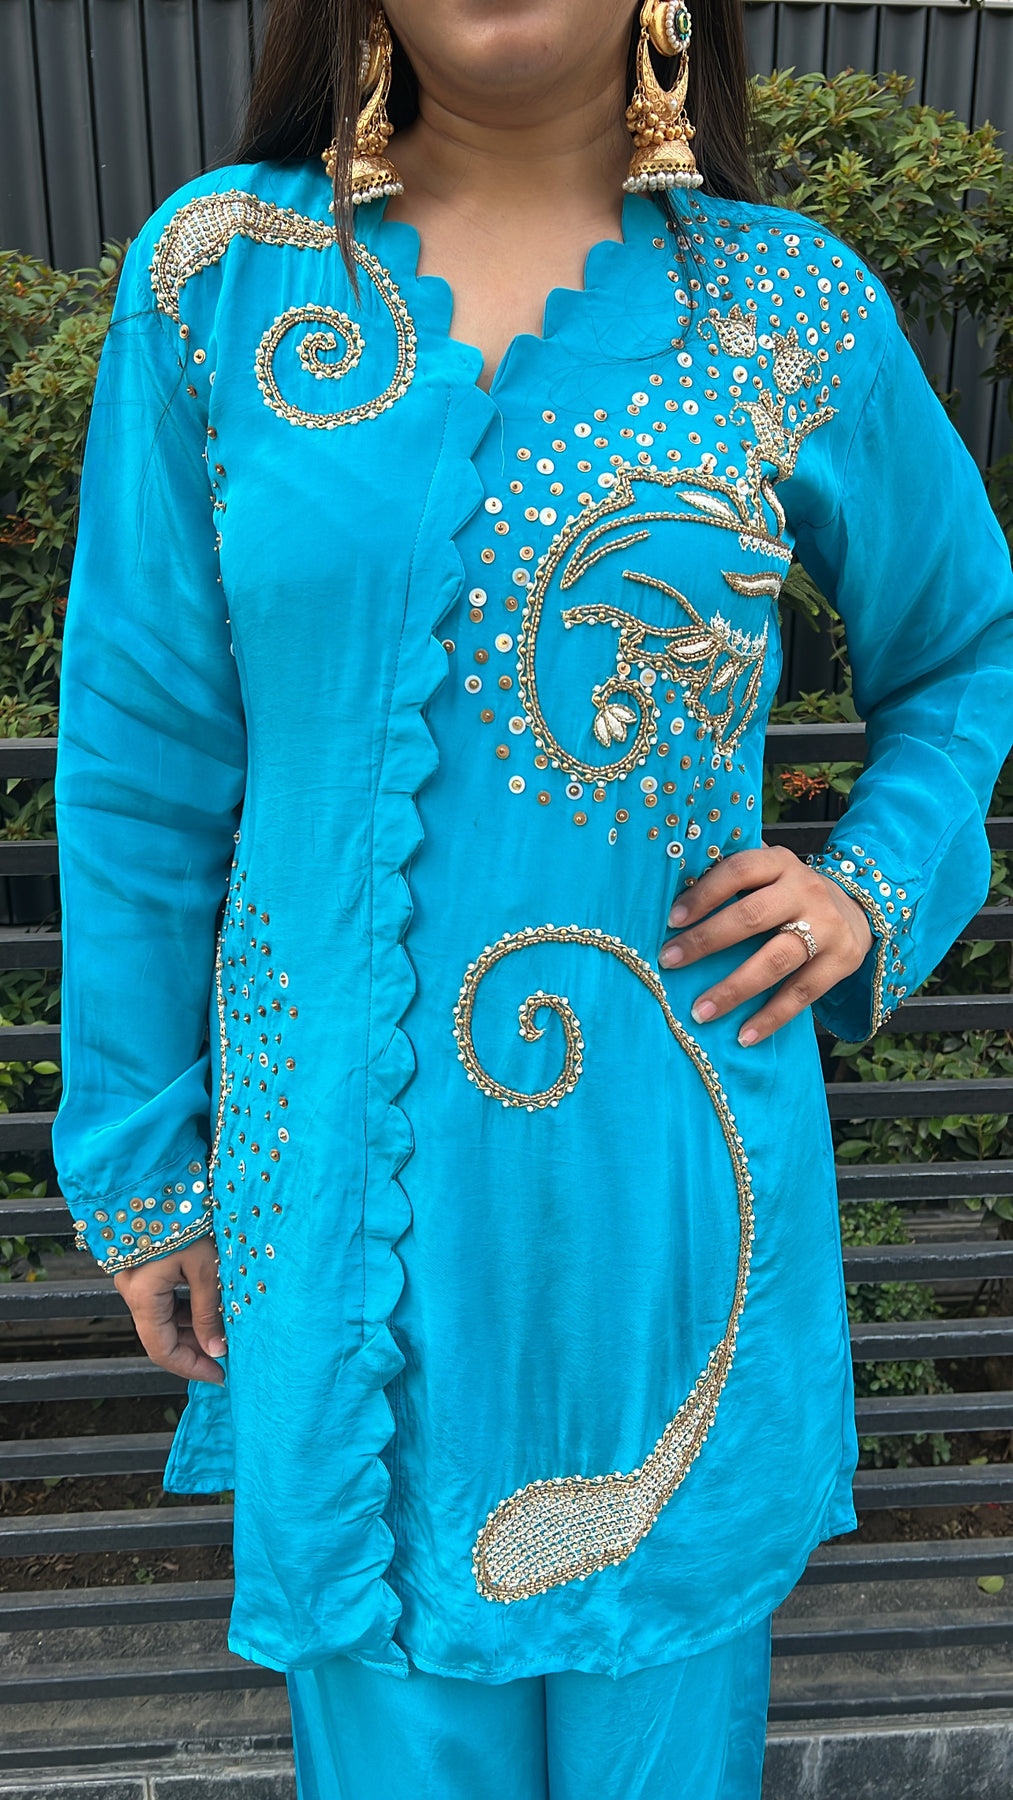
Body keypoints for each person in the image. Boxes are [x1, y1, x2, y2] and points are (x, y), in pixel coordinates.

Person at [51, 1, 1013, 1795]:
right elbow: (138, 753)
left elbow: (964, 641)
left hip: (664, 1222)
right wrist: (140, 1163)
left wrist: (867, 887)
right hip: (332, 1212)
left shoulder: (784, 308)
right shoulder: (220, 282)